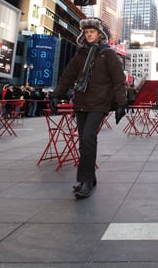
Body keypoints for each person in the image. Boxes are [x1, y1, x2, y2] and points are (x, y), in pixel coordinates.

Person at [50, 17, 127, 200]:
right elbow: (67, 77)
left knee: (87, 138)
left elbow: (118, 80)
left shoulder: (108, 54)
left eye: (92, 32)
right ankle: (89, 178)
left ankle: (84, 181)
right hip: (82, 102)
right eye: (86, 32)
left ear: (99, 34)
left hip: (99, 103)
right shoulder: (80, 54)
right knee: (84, 142)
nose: (89, 34)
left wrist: (121, 103)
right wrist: (55, 95)